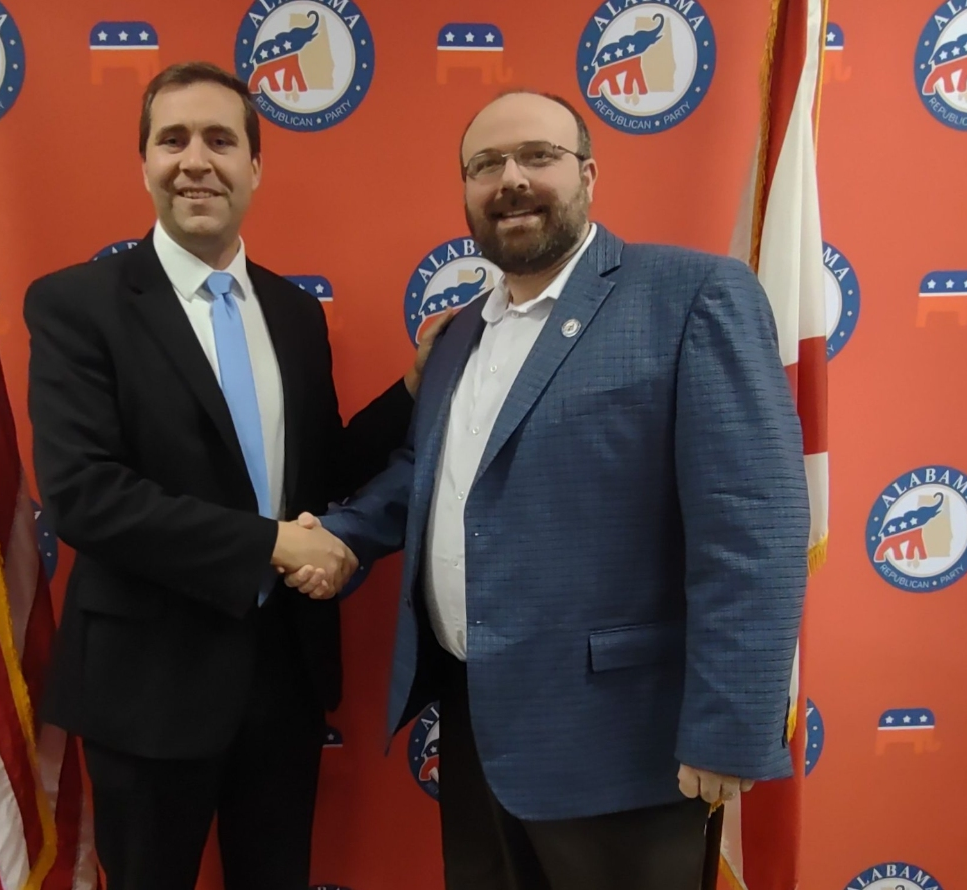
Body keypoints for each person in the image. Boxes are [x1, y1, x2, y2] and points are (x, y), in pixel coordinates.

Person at [286, 90, 811, 890]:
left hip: (624, 746)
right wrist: (346, 534)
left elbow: (752, 523)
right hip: (476, 731)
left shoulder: (688, 296)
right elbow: (435, 474)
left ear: (589, 175)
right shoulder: (460, 333)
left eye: (537, 156)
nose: (511, 179)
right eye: (484, 164)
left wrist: (730, 724)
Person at [24, 61, 447, 890]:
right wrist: (273, 546)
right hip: (145, 688)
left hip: (281, 681)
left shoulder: (291, 312)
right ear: (143, 163)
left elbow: (319, 469)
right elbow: (84, 495)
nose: (195, 160)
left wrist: (409, 391)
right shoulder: (77, 304)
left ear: (254, 167)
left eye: (220, 139)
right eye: (171, 139)